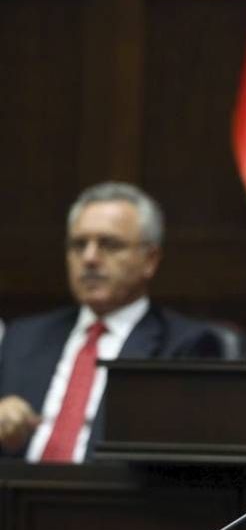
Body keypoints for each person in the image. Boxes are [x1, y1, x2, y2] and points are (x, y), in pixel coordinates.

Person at [0, 182, 225, 462]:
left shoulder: (185, 346)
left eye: (110, 245)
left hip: (112, 502)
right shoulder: (23, 336)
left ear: (150, 260)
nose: (90, 258)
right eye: (79, 245)